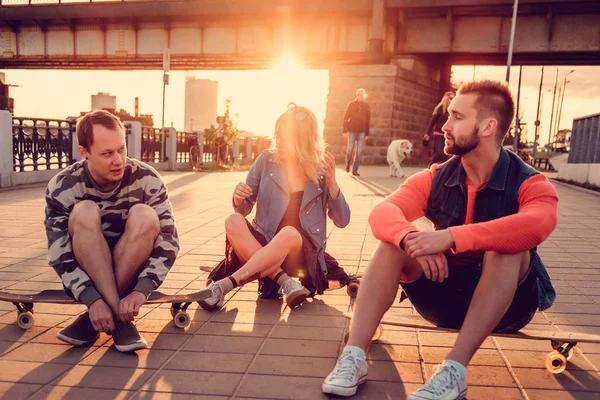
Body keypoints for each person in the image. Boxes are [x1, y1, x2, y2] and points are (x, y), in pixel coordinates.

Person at [323, 80, 559, 399]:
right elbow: (383, 211)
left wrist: (449, 238)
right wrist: (411, 239)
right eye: (448, 116)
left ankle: (454, 371)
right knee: (392, 242)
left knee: (507, 249)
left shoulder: (529, 182)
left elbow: (539, 223)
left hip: (507, 308)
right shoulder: (436, 176)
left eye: (457, 117)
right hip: (443, 298)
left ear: (488, 126)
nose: (445, 125)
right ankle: (354, 355)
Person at [45, 110, 179, 352]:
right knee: (84, 211)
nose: (118, 160)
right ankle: (121, 321)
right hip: (88, 276)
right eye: (107, 153)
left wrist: (141, 292)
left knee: (145, 215)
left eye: (121, 149)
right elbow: (59, 253)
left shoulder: (147, 179)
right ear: (84, 152)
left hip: (133, 277)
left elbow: (169, 241)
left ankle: (94, 321)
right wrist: (91, 298)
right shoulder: (62, 187)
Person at [200, 104, 351, 310]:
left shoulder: (321, 171)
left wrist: (333, 185)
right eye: (277, 135)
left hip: (300, 253)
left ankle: (224, 286)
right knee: (232, 220)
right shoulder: (266, 161)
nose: (278, 141)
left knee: (289, 233)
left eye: (285, 137)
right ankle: (284, 281)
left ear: (302, 140)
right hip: (264, 245)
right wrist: (237, 199)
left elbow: (342, 221)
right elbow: (243, 210)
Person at [343, 88, 370, 176]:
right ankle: (347, 164)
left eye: (362, 95)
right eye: (359, 94)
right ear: (356, 95)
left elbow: (368, 120)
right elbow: (346, 117)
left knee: (359, 151)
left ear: (364, 95)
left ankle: (355, 170)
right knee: (350, 149)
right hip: (352, 130)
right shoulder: (351, 104)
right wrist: (344, 130)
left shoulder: (366, 106)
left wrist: (367, 133)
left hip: (362, 131)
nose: (360, 96)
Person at [424, 91, 455, 166]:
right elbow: (432, 121)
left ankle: (443, 171)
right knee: (439, 151)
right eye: (451, 98)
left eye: (454, 98)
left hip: (448, 134)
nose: (452, 100)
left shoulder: (453, 111)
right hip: (438, 132)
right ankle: (430, 167)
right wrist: (427, 134)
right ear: (446, 98)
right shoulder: (440, 109)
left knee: (446, 154)